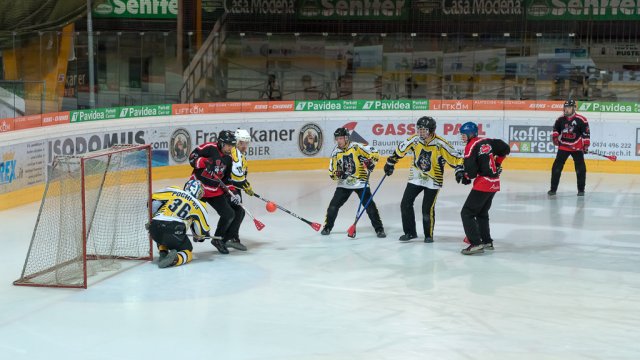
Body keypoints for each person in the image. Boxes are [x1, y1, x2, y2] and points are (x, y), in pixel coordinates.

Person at [384, 116, 464, 243]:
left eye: (424, 130)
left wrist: (459, 170)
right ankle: (410, 233)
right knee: (405, 204)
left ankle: (428, 235)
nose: (420, 132)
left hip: (433, 180)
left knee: (427, 209)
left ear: (431, 130)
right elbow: (401, 149)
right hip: (416, 177)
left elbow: (456, 157)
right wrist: (390, 162)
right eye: (419, 129)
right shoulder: (415, 140)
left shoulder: (440, 144)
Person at [457, 121, 510, 255]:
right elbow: (505, 148)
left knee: (467, 213)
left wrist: (465, 176)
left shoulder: (470, 146)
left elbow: (472, 171)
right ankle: (487, 241)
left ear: (471, 134)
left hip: (484, 183)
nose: (462, 137)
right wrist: (497, 164)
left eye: (464, 135)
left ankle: (476, 243)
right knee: (481, 213)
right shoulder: (487, 141)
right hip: (494, 182)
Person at [322, 127, 386, 238]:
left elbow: (375, 152)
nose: (339, 141)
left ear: (346, 138)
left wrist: (371, 162)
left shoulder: (357, 147)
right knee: (333, 206)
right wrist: (337, 174)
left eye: (341, 138)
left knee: (370, 207)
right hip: (344, 184)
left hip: (360, 182)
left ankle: (379, 229)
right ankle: (327, 227)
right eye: (337, 138)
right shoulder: (335, 153)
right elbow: (331, 172)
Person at [188, 130, 244, 254]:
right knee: (189, 215)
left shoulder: (230, 158)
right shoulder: (209, 148)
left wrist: (233, 192)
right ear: (220, 143)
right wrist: (204, 162)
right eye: (228, 145)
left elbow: (227, 179)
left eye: (232, 145)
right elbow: (192, 159)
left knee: (229, 214)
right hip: (198, 188)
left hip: (214, 190)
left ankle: (218, 239)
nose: (230, 148)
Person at [148, 179, 212, 268]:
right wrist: (200, 237)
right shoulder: (201, 205)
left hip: (153, 228)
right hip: (173, 231)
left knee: (161, 231)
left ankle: (163, 252)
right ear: (199, 193)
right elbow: (201, 234)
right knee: (188, 250)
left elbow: (152, 201)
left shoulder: (174, 190)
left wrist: (154, 218)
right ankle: (176, 259)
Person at [548, 99, 591, 196]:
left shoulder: (582, 120)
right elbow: (556, 130)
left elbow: (586, 133)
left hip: (577, 147)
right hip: (564, 147)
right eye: (565, 108)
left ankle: (581, 190)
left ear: (574, 108)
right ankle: (553, 189)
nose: (566, 110)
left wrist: (586, 145)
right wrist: (555, 138)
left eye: (569, 108)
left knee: (580, 169)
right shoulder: (560, 119)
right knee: (556, 168)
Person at [227, 128, 254, 251]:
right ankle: (231, 238)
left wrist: (245, 185)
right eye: (242, 143)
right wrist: (246, 186)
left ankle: (229, 237)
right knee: (238, 212)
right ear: (237, 142)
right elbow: (238, 178)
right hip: (231, 187)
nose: (245, 146)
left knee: (237, 212)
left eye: (246, 143)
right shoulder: (235, 154)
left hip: (234, 187)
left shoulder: (238, 152)